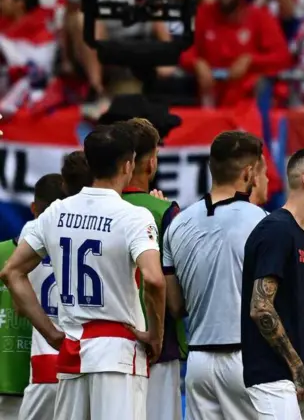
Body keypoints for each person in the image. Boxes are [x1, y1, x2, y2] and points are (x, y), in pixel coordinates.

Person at [0, 125, 166, 420]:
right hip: (117, 353)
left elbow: (11, 272)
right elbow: (153, 279)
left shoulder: (56, 212)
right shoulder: (133, 216)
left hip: (71, 351)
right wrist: (156, 334)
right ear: (128, 166)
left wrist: (51, 334)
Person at [162, 131, 269, 420]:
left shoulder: (177, 224)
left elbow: (175, 306)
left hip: (198, 363)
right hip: (246, 357)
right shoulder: (264, 223)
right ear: (249, 173)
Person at [242, 149, 304, 420]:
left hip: (297, 383)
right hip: (272, 379)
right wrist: (299, 371)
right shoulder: (276, 230)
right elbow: (260, 308)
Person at [100, 118, 185, 420]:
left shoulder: (94, 208)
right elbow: (174, 299)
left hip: (104, 347)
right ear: (151, 163)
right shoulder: (165, 212)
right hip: (155, 347)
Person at [0, 174, 66, 420]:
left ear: (33, 208)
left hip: (16, 372)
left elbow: (19, 306)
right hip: (66, 367)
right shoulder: (77, 251)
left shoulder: (7, 251)